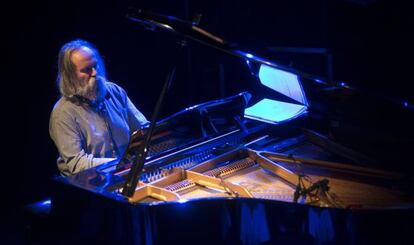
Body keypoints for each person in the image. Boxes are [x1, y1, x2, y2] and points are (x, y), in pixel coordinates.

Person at [49, 39, 149, 176]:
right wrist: (119, 164)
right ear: (70, 76)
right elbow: (78, 163)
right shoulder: (62, 113)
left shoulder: (115, 92)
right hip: (90, 185)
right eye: (86, 70)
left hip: (128, 173)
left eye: (95, 66)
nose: (95, 73)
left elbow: (143, 130)